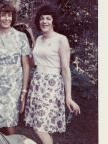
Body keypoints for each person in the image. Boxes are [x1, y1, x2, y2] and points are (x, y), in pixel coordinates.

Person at [24, 5, 81, 144]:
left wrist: (68, 97)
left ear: (53, 21)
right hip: (37, 83)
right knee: (42, 125)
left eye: (48, 18)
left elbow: (65, 69)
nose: (44, 21)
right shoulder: (38, 39)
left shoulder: (61, 39)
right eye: (42, 18)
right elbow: (33, 63)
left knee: (40, 128)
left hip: (51, 85)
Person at [0, 1, 31, 135]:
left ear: (12, 17)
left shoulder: (21, 37)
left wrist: (24, 90)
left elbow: (26, 65)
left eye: (9, 15)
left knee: (10, 119)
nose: (6, 18)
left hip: (14, 85)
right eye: (3, 15)